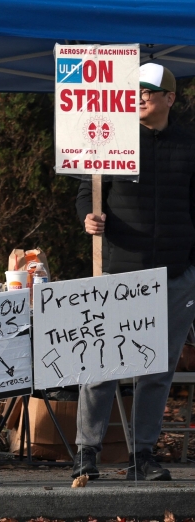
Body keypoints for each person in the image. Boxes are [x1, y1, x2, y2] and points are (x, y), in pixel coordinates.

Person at [74, 63, 195, 481]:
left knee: (157, 372)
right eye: (135, 90)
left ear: (170, 98)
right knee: (100, 366)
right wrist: (88, 218)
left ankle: (142, 456)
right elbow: (86, 194)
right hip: (118, 275)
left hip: (176, 276)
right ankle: (86, 453)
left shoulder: (191, 144)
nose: (140, 96)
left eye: (149, 90)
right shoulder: (111, 139)